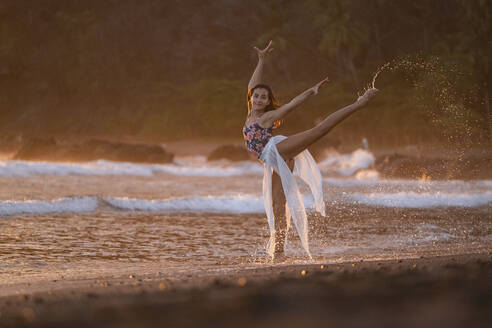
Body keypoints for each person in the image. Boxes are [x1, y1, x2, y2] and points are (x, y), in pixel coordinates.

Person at [243, 40, 378, 261]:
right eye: (256, 96)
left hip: (278, 150)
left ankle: (360, 103)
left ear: (268, 102)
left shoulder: (267, 117)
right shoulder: (249, 113)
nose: (258, 99)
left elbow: (291, 105)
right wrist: (261, 60)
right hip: (272, 161)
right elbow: (253, 84)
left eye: (263, 97)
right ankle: (279, 252)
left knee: (321, 128)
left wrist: (311, 91)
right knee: (278, 205)